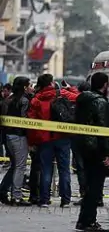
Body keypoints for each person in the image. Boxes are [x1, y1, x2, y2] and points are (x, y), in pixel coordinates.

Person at [27, 74, 79, 208]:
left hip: (44, 139)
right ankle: (65, 200)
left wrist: (32, 142)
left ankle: (44, 199)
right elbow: (79, 97)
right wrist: (70, 88)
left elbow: (31, 123)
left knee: (46, 169)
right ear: (51, 83)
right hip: (63, 137)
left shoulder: (36, 100)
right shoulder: (61, 93)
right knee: (64, 169)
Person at [75, 72, 109, 232]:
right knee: (95, 188)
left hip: (82, 145)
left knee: (90, 186)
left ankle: (84, 220)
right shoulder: (100, 102)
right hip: (96, 148)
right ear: (104, 85)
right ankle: (88, 221)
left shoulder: (82, 99)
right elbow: (104, 129)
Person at [0, 77, 32, 206]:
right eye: (29, 85)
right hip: (19, 136)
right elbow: (25, 120)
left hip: (8, 136)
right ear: (24, 87)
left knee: (14, 165)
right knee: (20, 166)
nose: (31, 87)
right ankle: (16, 196)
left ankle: (4, 190)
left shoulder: (8, 100)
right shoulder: (24, 101)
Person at [72, 81, 91, 206]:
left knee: (81, 169)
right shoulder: (97, 102)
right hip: (92, 140)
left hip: (78, 139)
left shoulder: (76, 103)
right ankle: (93, 194)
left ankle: (84, 194)